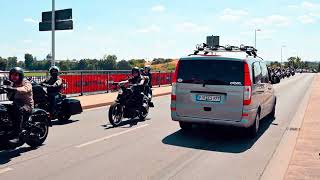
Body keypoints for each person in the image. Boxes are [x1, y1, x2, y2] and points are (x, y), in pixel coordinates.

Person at [4, 67, 34, 144]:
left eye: (16, 75)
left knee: (18, 109)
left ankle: (17, 135)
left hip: (27, 105)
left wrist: (14, 89)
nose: (13, 77)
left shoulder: (26, 82)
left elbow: (26, 89)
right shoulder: (11, 83)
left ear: (20, 76)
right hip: (15, 103)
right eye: (12, 75)